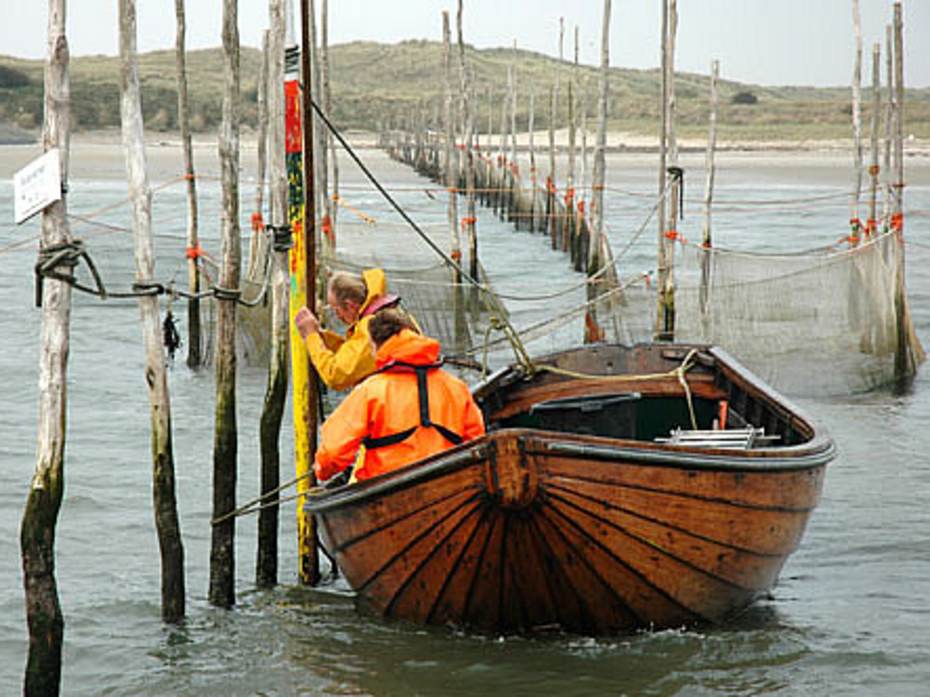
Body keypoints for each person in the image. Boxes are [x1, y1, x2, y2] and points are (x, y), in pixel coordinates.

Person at [314, 308, 485, 483]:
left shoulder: (370, 391)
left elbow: (333, 453)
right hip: (449, 484)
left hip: (387, 487)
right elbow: (476, 442)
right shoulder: (456, 387)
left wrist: (321, 470)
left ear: (376, 346)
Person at [295, 268, 413, 391]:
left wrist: (311, 337)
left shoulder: (372, 326)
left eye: (336, 309)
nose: (337, 316)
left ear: (350, 305)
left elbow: (335, 375)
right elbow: (354, 353)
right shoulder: (389, 313)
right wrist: (322, 337)